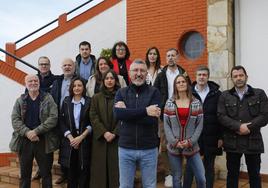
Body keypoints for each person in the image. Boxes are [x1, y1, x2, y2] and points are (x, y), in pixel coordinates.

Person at [217, 65, 268, 188]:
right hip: (232, 142)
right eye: (235, 76)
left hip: (253, 142)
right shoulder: (225, 96)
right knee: (232, 175)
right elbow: (221, 116)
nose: (238, 78)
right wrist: (238, 126)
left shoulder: (259, 93)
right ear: (232, 79)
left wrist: (248, 127)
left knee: (254, 175)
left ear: (246, 77)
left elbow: (265, 116)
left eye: (241, 75)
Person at [114, 59, 161, 188]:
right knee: (125, 186)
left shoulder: (154, 92)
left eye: (142, 71)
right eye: (135, 70)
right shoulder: (121, 93)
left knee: (150, 186)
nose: (138, 73)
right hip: (126, 148)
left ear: (146, 74)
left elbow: (152, 119)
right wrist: (146, 111)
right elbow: (119, 115)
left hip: (149, 149)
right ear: (129, 73)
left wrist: (128, 113)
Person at [10, 74, 59, 188]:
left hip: (43, 141)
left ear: (39, 82)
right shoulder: (20, 100)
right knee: (25, 174)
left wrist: (36, 132)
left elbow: (53, 117)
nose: (33, 83)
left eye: (35, 80)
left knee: (46, 173)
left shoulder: (48, 98)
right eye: (30, 81)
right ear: (25, 84)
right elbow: (15, 120)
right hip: (25, 141)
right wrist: (28, 133)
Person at [154, 48, 189, 187]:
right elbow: (155, 92)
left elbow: (189, 90)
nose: (170, 58)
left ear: (177, 57)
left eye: (173, 55)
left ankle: (178, 173)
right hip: (165, 114)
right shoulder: (161, 74)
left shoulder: (183, 73)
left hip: (181, 113)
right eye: (168, 56)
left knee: (181, 143)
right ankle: (169, 173)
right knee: (164, 144)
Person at [163, 74, 205, 188]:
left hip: (192, 146)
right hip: (174, 146)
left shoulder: (196, 103)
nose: (181, 84)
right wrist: (174, 142)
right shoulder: (169, 102)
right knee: (176, 178)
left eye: (183, 82)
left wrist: (190, 141)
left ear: (187, 84)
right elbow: (166, 125)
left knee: (201, 178)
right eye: (178, 82)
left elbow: (199, 125)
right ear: (175, 86)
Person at [183, 66, 222, 188]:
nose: (201, 77)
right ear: (195, 76)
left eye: (204, 75)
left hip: (211, 135)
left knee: (209, 167)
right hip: (192, 136)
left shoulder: (217, 94)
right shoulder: (187, 93)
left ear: (208, 77)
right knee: (190, 166)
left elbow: (221, 116)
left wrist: (221, 137)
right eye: (199, 74)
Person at [90, 70, 121, 188]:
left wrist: (115, 133)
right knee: (99, 171)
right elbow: (93, 116)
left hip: (116, 139)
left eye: (112, 78)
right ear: (103, 81)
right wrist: (104, 132)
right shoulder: (96, 97)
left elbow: (124, 117)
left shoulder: (122, 96)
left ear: (116, 81)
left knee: (116, 170)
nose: (109, 80)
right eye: (107, 78)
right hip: (100, 139)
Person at [59, 77, 92, 188]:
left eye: (79, 85)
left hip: (85, 140)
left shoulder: (89, 101)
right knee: (71, 171)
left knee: (84, 170)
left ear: (84, 87)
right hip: (70, 141)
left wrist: (81, 137)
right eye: (74, 85)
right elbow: (61, 121)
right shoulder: (66, 101)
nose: (77, 88)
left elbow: (92, 122)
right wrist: (71, 138)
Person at [51, 58, 77, 184]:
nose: (67, 67)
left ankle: (73, 174)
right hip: (60, 118)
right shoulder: (57, 82)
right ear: (62, 67)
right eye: (65, 65)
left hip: (74, 118)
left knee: (72, 146)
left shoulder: (79, 81)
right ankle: (64, 173)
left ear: (74, 67)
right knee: (62, 147)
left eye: (69, 65)